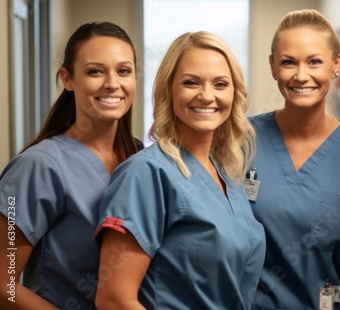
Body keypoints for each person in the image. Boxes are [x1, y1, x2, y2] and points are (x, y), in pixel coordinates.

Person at [94, 31, 266, 310]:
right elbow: (113, 299)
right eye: (191, 82)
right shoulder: (146, 173)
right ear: (168, 89)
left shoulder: (227, 175)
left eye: (221, 84)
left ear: (234, 94)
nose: (207, 95)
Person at [248, 9, 340, 310]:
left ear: (336, 65)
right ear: (272, 66)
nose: (301, 75)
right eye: (288, 62)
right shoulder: (240, 143)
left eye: (314, 62)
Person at [0, 21, 140, 309]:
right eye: (95, 71)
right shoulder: (37, 168)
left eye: (123, 70)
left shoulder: (140, 157)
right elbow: (3, 285)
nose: (112, 83)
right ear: (68, 79)